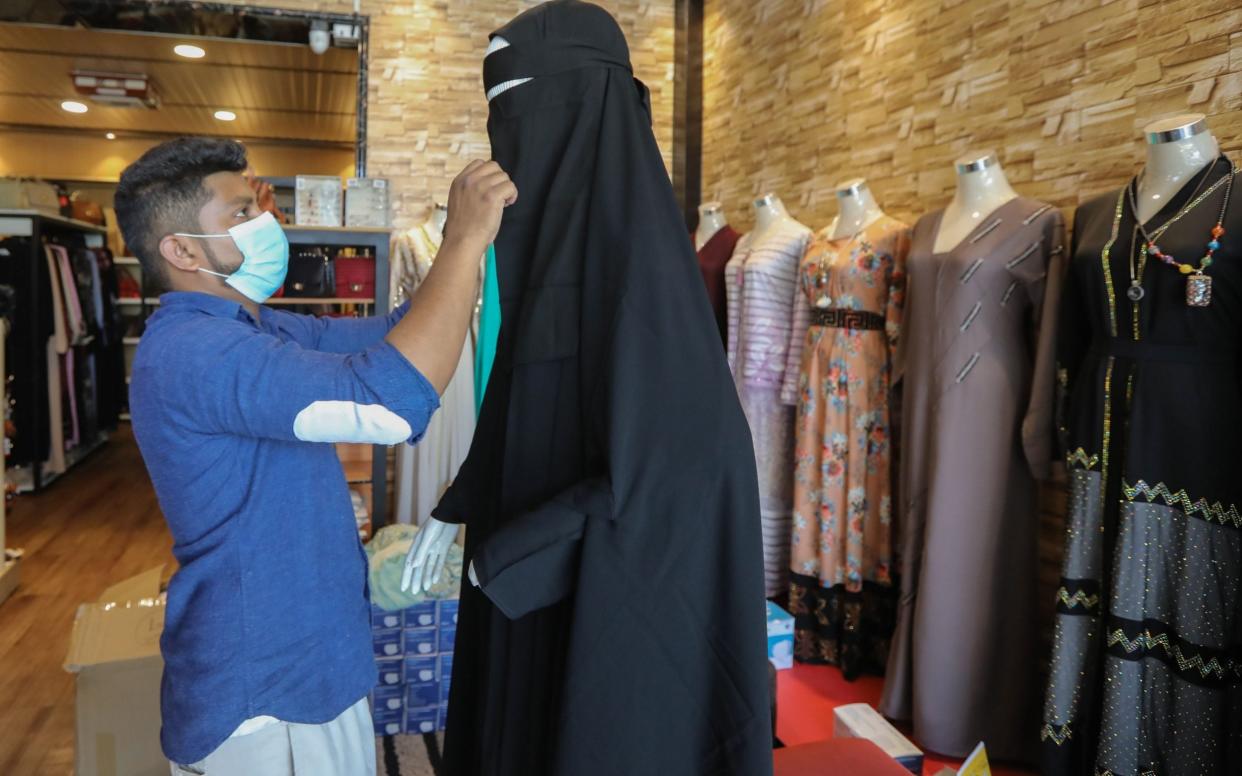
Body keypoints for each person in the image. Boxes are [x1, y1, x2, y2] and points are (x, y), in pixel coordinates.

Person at [114, 136, 515, 776]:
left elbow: (393, 333)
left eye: (259, 208)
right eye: (241, 214)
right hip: (266, 688)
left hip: (308, 655)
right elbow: (387, 404)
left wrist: (472, 250)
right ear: (183, 250)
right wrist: (463, 239)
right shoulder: (193, 351)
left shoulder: (250, 326)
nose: (267, 226)